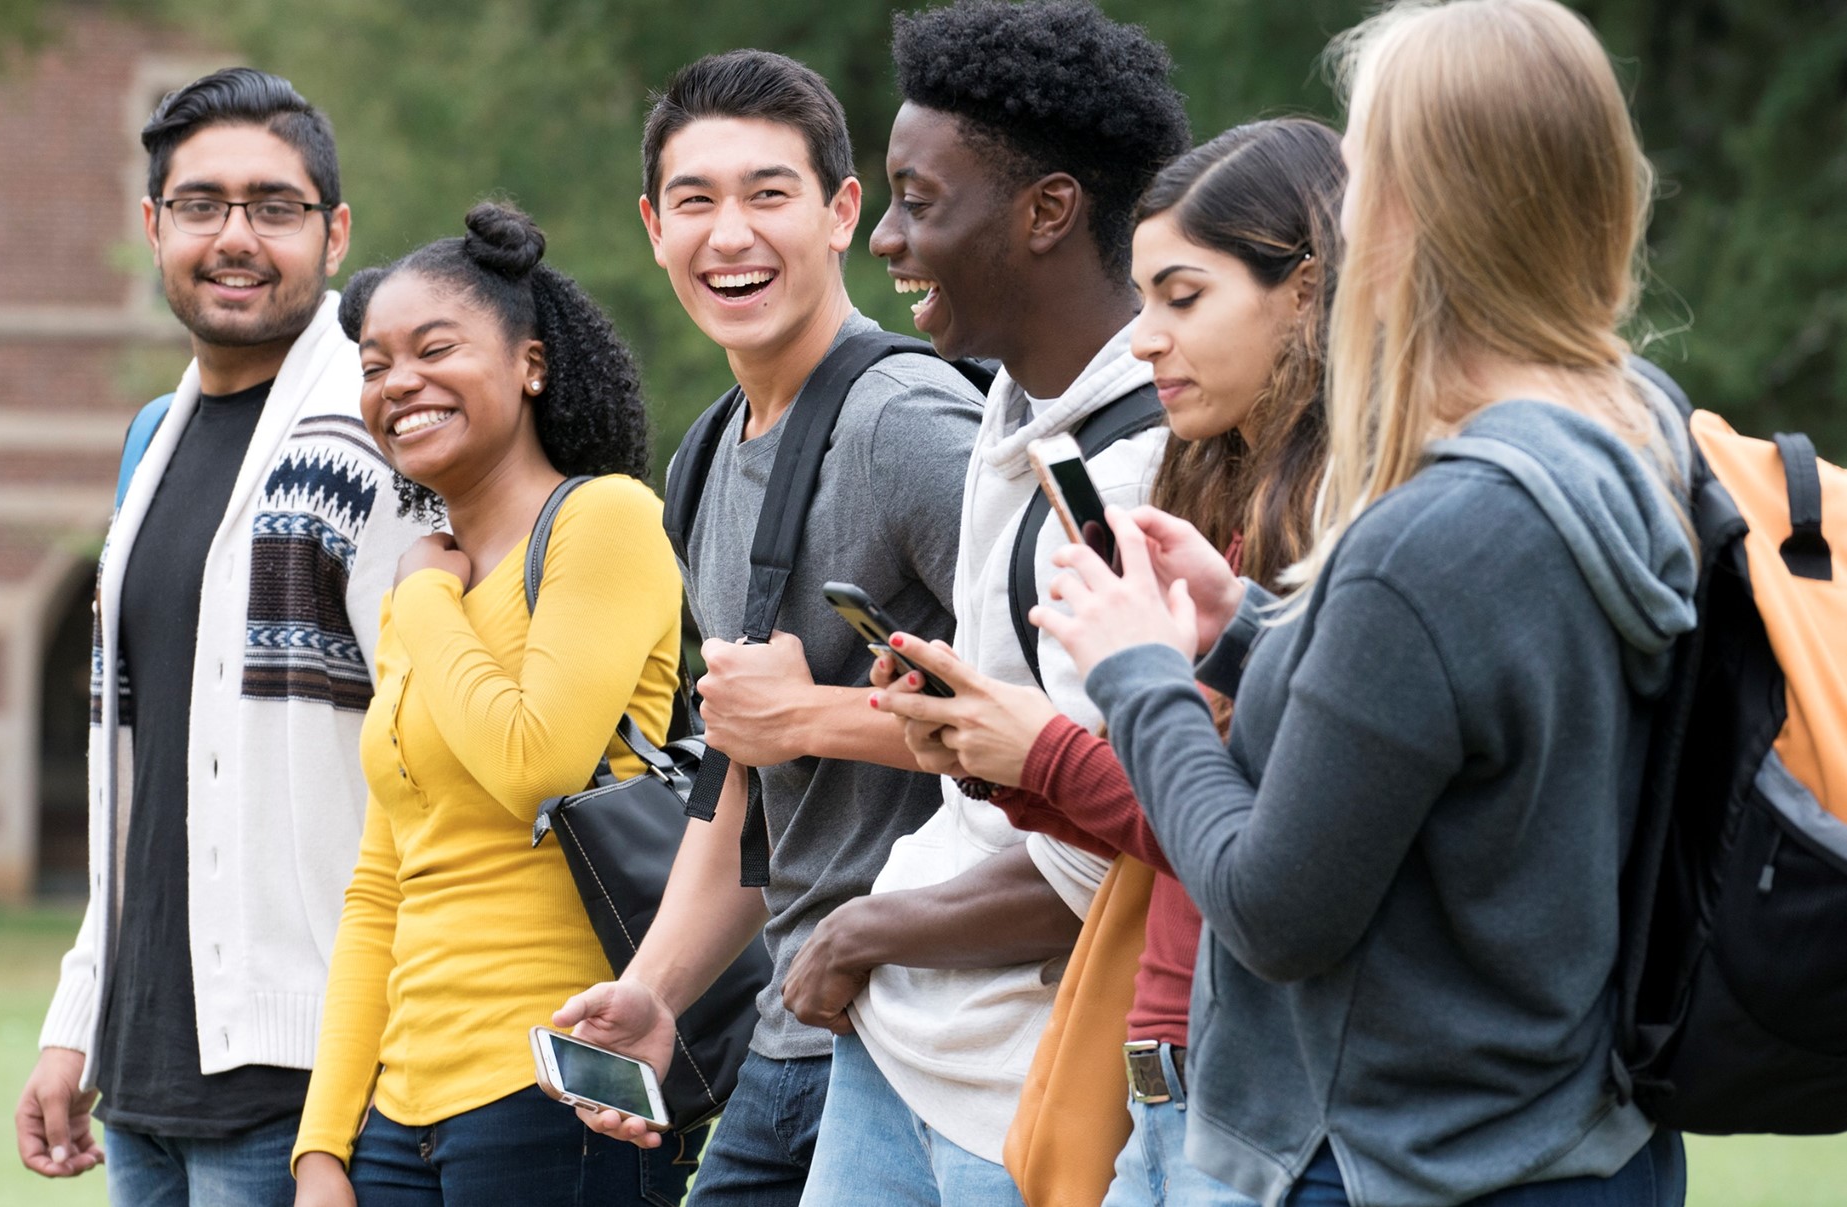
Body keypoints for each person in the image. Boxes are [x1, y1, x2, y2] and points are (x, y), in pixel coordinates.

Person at [1037, 1, 1697, 1202]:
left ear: (1400, 216)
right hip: (1584, 1142)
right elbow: (1479, 736)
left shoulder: (1433, 535)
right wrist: (1244, 624)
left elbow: (1274, 908)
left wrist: (1138, 675)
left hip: (1405, 1163)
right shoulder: (1637, 430)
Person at [874, 116, 1343, 1207]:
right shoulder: (1225, 497)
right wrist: (999, 753)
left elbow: (1255, 850)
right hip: (1175, 1060)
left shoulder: (1356, 526)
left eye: (1183, 298)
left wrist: (1044, 754)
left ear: (1309, 292)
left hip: (1262, 1081)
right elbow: (1181, 822)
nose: (1144, 340)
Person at [767, 4, 1190, 1203]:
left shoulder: (1143, 468)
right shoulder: (1010, 408)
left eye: (918, 199)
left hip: (1029, 1095)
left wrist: (858, 932)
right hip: (904, 1050)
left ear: (1048, 211)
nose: (889, 239)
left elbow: (1113, 854)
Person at [552, 49, 983, 1204]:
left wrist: (813, 714)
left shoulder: (910, 424)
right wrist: (655, 991)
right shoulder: (703, 459)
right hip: (788, 1030)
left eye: (768, 193)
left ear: (843, 212)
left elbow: (1074, 723)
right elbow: (741, 788)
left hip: (933, 1042)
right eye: (695, 201)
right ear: (652, 227)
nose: (728, 234)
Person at [16, 68, 431, 1205]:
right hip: (144, 1075)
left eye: (274, 206)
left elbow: (434, 770)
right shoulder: (151, 443)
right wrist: (76, 1019)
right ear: (154, 228)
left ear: (335, 232)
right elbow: (135, 778)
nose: (234, 237)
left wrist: (344, 1106)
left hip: (297, 1078)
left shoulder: (383, 433)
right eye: (201, 205)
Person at [287, 202, 694, 1207]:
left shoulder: (605, 518)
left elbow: (536, 762)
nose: (399, 384)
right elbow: (381, 884)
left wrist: (424, 595)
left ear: (531, 365)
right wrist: (324, 1144)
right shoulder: (424, 593)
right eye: (375, 365)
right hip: (401, 1110)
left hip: (559, 1087)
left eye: (435, 348)